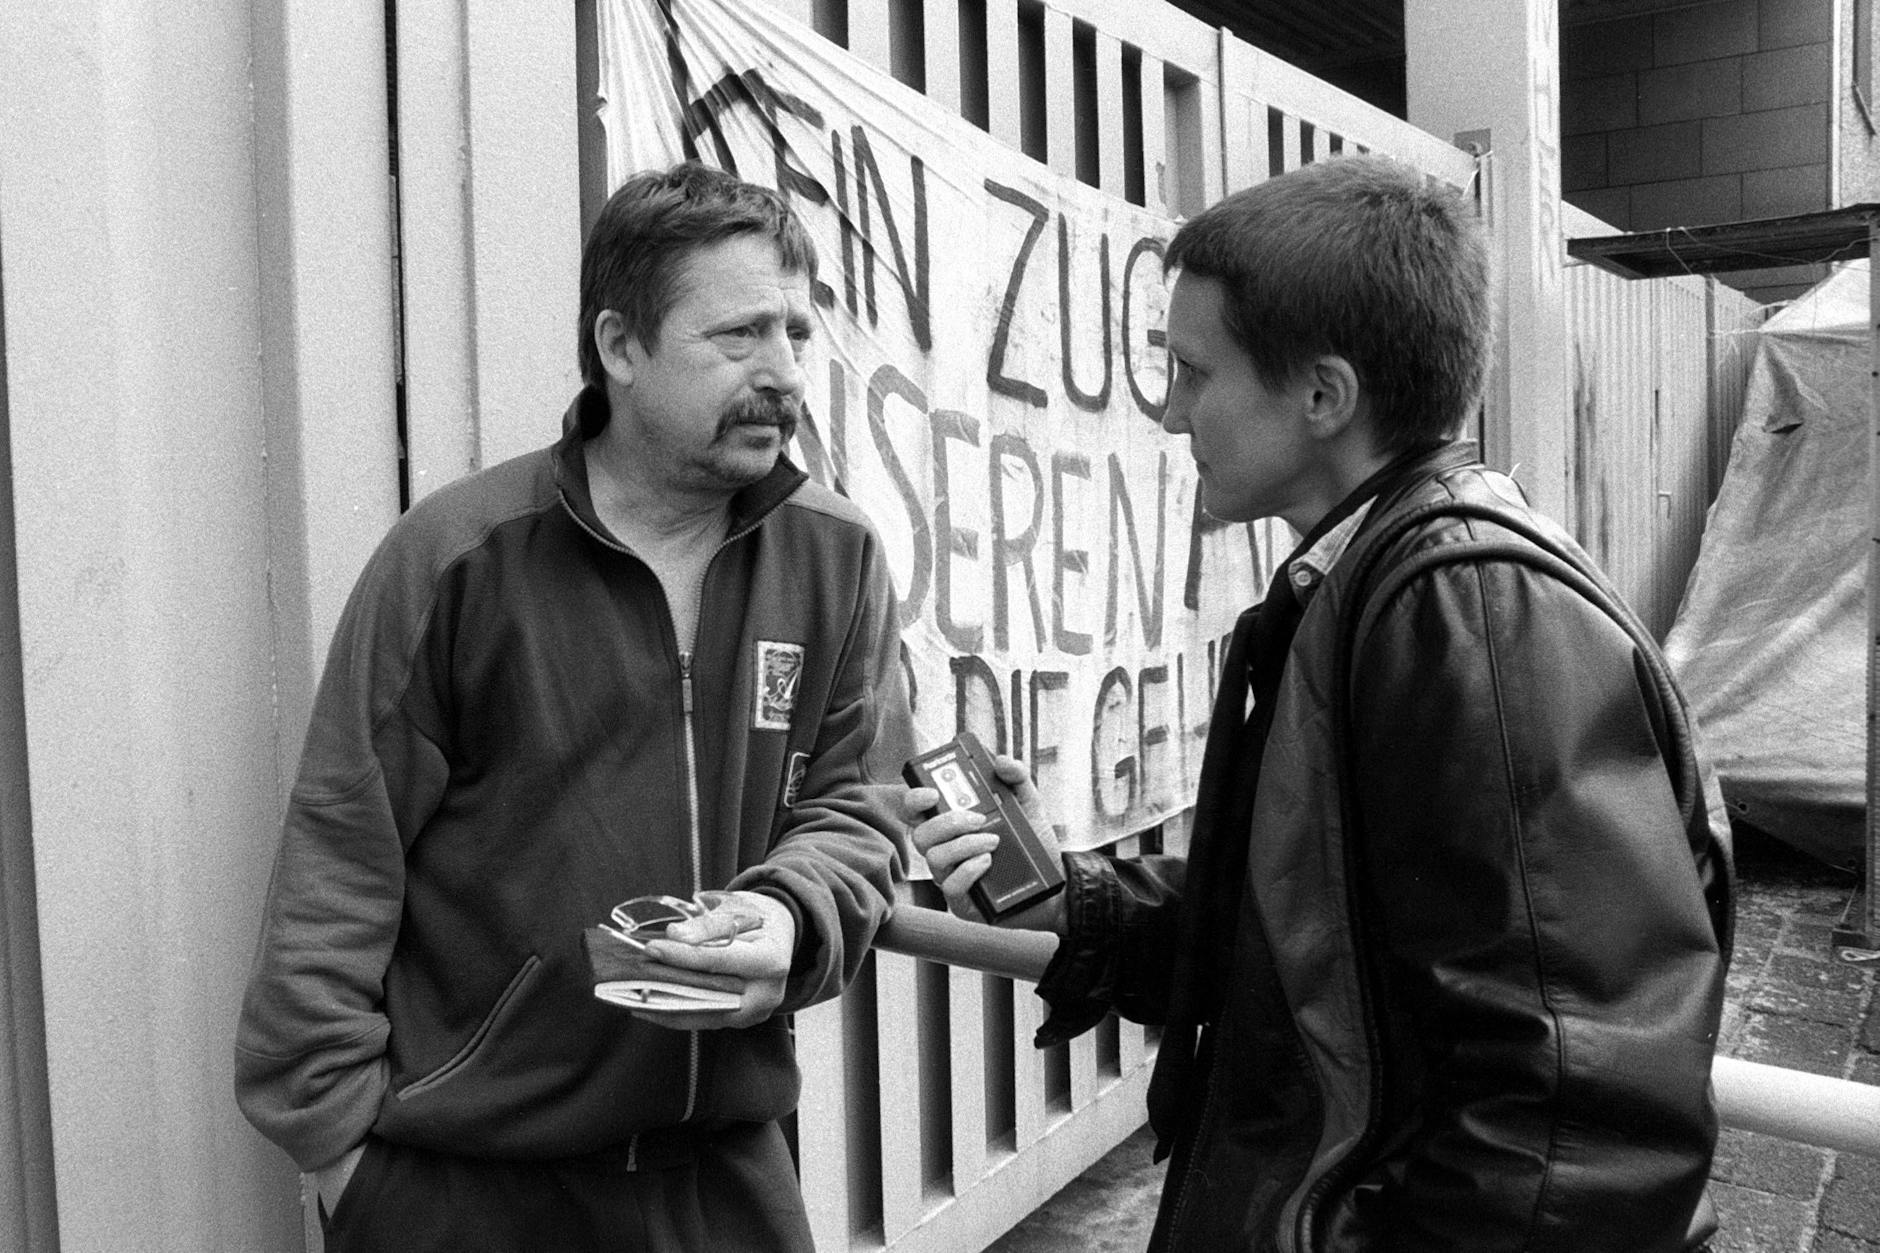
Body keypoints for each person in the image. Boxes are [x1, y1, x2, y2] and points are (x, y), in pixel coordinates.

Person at [908, 154, 1733, 1251]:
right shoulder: (1367, 583)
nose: (1166, 410)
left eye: (1192, 372)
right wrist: (1072, 898)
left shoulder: (1466, 614)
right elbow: (1315, 946)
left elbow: (1573, 1119)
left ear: (1320, 395)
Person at [235, 161, 912, 1252]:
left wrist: (789, 916)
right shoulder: (456, 557)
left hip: (725, 1183)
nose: (784, 371)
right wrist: (340, 1158)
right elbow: (339, 851)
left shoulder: (835, 558)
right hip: (468, 1191)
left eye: (796, 330)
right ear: (621, 346)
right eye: (738, 336)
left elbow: (859, 807)